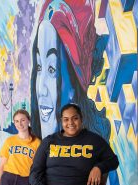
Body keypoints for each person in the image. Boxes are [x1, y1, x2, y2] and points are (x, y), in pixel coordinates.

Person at [31, 0, 110, 141]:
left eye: (51, 69)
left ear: (74, 84)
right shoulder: (40, 147)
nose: (41, 90)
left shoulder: (90, 144)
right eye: (38, 67)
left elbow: (109, 160)